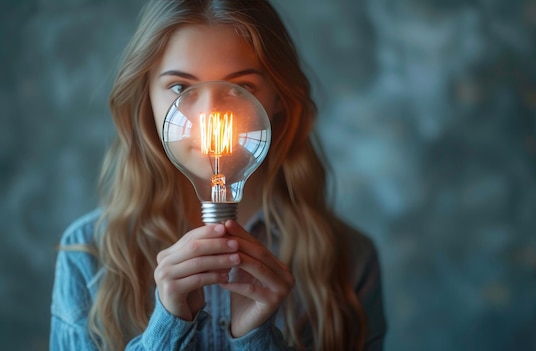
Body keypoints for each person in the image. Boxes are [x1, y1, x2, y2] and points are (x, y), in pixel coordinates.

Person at [50, 0, 386, 350]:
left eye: (241, 87)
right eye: (180, 88)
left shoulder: (349, 261)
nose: (209, 115)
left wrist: (258, 340)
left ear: (278, 97)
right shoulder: (89, 255)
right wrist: (167, 327)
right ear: (145, 96)